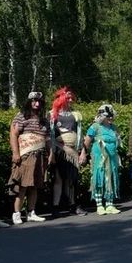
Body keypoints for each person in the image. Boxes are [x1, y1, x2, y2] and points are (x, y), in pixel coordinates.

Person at [9, 91, 50, 225]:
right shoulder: (21, 116)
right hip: (25, 155)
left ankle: (31, 212)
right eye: (34, 101)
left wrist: (50, 154)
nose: (37, 104)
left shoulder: (44, 119)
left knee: (35, 185)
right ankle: (16, 213)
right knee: (23, 185)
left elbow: (48, 138)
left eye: (39, 101)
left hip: (40, 155)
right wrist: (15, 153)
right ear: (28, 102)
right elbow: (13, 134)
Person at [50, 87, 87, 216]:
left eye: (72, 98)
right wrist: (52, 153)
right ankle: (55, 207)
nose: (71, 100)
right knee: (58, 179)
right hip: (59, 150)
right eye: (68, 98)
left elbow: (80, 134)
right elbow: (50, 135)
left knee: (72, 179)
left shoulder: (76, 114)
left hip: (73, 151)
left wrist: (83, 152)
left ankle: (73, 205)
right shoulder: (53, 114)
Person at [84, 104, 121, 214]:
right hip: (99, 158)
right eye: (108, 116)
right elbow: (87, 142)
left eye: (111, 116)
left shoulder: (114, 128)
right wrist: (88, 153)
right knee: (99, 179)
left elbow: (118, 140)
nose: (110, 118)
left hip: (112, 158)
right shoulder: (94, 127)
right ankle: (99, 205)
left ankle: (110, 204)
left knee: (111, 178)